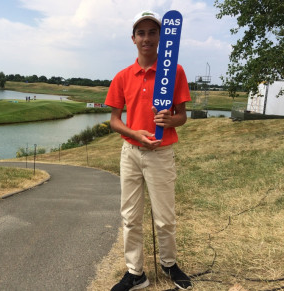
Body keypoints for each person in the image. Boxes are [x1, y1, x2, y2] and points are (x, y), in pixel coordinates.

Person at [105, 10, 193, 290]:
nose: (146, 38)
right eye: (141, 33)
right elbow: (114, 120)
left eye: (152, 32)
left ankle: (168, 265)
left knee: (165, 218)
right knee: (130, 216)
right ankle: (136, 273)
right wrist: (134, 134)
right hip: (131, 153)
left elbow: (182, 116)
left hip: (161, 153)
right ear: (133, 39)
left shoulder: (174, 71)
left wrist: (170, 120)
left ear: (161, 37)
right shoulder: (122, 76)